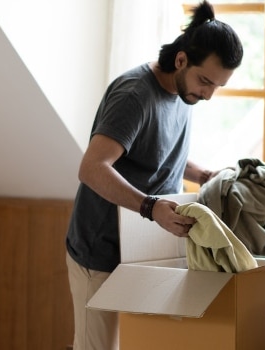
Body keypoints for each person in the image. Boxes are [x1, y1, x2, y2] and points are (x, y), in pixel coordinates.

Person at [64, 2, 243, 350]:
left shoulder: (183, 93)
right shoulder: (134, 96)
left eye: (217, 86)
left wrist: (201, 173)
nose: (207, 94)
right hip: (100, 252)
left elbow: (151, 149)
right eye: (205, 81)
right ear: (180, 60)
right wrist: (150, 207)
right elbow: (92, 168)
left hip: (144, 251)